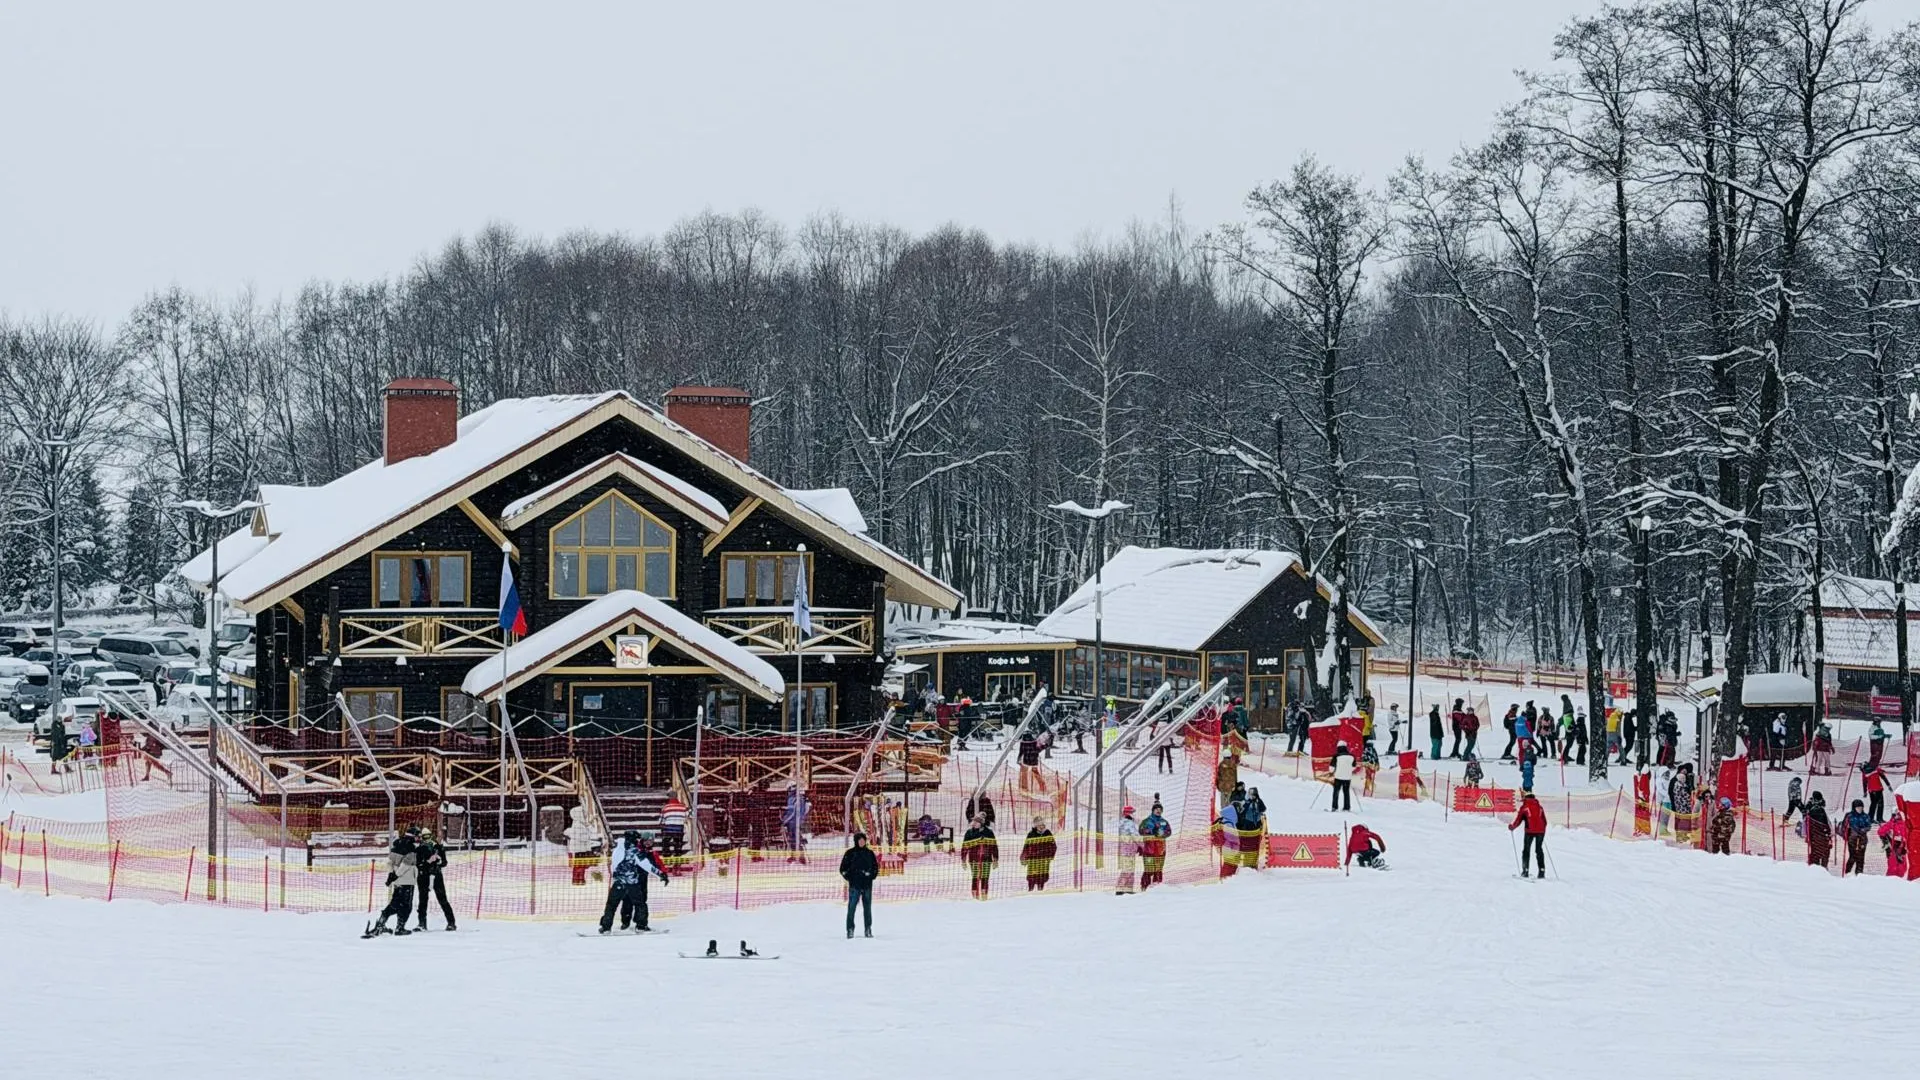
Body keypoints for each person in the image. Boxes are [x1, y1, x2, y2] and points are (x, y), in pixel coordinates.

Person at [598, 829, 669, 934]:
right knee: (640, 904)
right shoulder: (635, 851)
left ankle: (606, 927)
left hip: (619, 882)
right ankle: (641, 925)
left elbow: (614, 864)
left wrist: (616, 875)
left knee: (611, 905)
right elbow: (646, 865)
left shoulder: (618, 849)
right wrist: (660, 874)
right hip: (632, 882)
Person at [367, 828, 420, 936]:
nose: (418, 838)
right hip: (407, 881)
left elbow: (389, 862)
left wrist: (392, 875)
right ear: (412, 836)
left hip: (397, 882)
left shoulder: (396, 846)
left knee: (394, 903)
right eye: (417, 836)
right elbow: (406, 865)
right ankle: (400, 928)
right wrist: (396, 875)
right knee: (406, 906)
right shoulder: (411, 848)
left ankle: (380, 923)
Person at [414, 826, 456, 931]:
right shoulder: (419, 849)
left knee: (442, 899)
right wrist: (427, 861)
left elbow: (444, 862)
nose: (426, 839)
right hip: (423, 876)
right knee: (422, 901)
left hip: (436, 875)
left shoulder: (437, 847)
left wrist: (439, 860)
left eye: (428, 836)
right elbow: (417, 864)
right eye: (424, 837)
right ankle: (422, 923)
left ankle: (451, 922)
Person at [839, 830, 879, 938]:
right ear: (856, 841)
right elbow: (842, 869)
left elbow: (875, 868)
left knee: (867, 909)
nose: (862, 842)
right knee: (851, 908)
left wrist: (870, 876)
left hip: (866, 886)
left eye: (863, 840)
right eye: (860, 840)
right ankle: (850, 929)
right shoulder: (850, 853)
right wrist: (850, 878)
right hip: (854, 886)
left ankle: (868, 929)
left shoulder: (870, 853)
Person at [1509, 790, 1548, 877]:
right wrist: (1541, 829)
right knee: (1539, 850)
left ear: (1526, 797)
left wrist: (1512, 827)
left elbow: (1518, 820)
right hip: (1541, 831)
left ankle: (1525, 871)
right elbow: (1544, 821)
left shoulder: (1524, 807)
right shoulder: (1540, 807)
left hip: (1529, 831)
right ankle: (1542, 871)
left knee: (1526, 850)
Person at [961, 813, 998, 899]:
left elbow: (994, 846)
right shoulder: (969, 833)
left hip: (986, 859)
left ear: (981, 823)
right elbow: (964, 846)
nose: (974, 823)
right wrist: (963, 860)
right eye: (973, 821)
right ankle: (975, 896)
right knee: (975, 876)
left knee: (985, 877)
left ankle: (984, 895)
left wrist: (995, 859)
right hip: (974, 859)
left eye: (976, 822)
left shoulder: (988, 832)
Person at [1138, 803, 1171, 889]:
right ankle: (1144, 886)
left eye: (1160, 810)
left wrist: (1162, 833)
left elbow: (1169, 832)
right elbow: (1141, 831)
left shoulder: (1164, 822)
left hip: (1160, 850)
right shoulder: (1146, 821)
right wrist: (1150, 831)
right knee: (1149, 869)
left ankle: (1157, 887)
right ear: (1153, 810)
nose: (1158, 811)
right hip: (1149, 850)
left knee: (1158, 869)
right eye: (1156, 809)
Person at [1019, 818, 1057, 891]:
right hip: (1032, 859)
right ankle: (1030, 889)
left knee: (1042, 876)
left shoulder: (1047, 833)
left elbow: (1054, 846)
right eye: (1039, 825)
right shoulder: (1031, 834)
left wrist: (1051, 856)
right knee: (1032, 876)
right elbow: (1026, 846)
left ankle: (1040, 889)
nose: (1041, 826)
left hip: (1044, 859)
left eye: (1042, 825)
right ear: (1035, 826)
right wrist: (1023, 856)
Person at [1842, 799, 1873, 876]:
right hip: (1852, 839)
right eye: (1858, 808)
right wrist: (1851, 831)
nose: (1860, 809)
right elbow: (1845, 826)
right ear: (1854, 808)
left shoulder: (1865, 816)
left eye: (1861, 807)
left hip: (1862, 839)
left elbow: (1869, 826)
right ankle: (1847, 872)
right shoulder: (1849, 816)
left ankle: (1859, 873)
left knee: (1861, 857)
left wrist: (1863, 830)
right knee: (1853, 856)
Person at [782, 784, 811, 863]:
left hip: (793, 822)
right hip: (795, 822)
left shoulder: (796, 799)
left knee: (795, 839)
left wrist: (784, 821)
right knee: (794, 839)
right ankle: (795, 855)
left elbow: (792, 812)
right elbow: (806, 809)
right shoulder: (797, 798)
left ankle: (800, 856)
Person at [1115, 806, 1140, 894]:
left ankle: (1127, 888)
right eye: (1133, 813)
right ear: (1129, 814)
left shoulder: (1123, 823)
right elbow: (1135, 836)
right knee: (1128, 869)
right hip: (1129, 849)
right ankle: (1121, 888)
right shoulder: (1129, 823)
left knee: (1128, 868)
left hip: (1127, 849)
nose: (1134, 815)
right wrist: (1142, 845)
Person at [1878, 810, 1909, 879]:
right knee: (1893, 867)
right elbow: (1880, 831)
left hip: (1901, 849)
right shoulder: (1892, 823)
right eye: (1895, 815)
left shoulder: (1905, 824)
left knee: (1902, 868)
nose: (1896, 816)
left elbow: (1907, 837)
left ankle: (1896, 882)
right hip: (1893, 848)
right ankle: (1891, 882)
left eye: (1898, 815)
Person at [1805, 792, 1832, 867]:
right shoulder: (1813, 809)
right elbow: (1825, 823)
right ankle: (1817, 867)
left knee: (1817, 852)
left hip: (1818, 834)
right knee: (1818, 852)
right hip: (1817, 833)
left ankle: (1816, 867)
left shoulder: (1817, 808)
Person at [1329, 741, 1355, 812]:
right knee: (1346, 792)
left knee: (1336, 792)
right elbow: (1353, 767)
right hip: (1347, 778)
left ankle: (1334, 807)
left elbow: (1331, 768)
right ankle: (1347, 807)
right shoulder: (1352, 756)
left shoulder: (1336, 756)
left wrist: (1331, 772)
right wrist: (1347, 770)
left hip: (1338, 777)